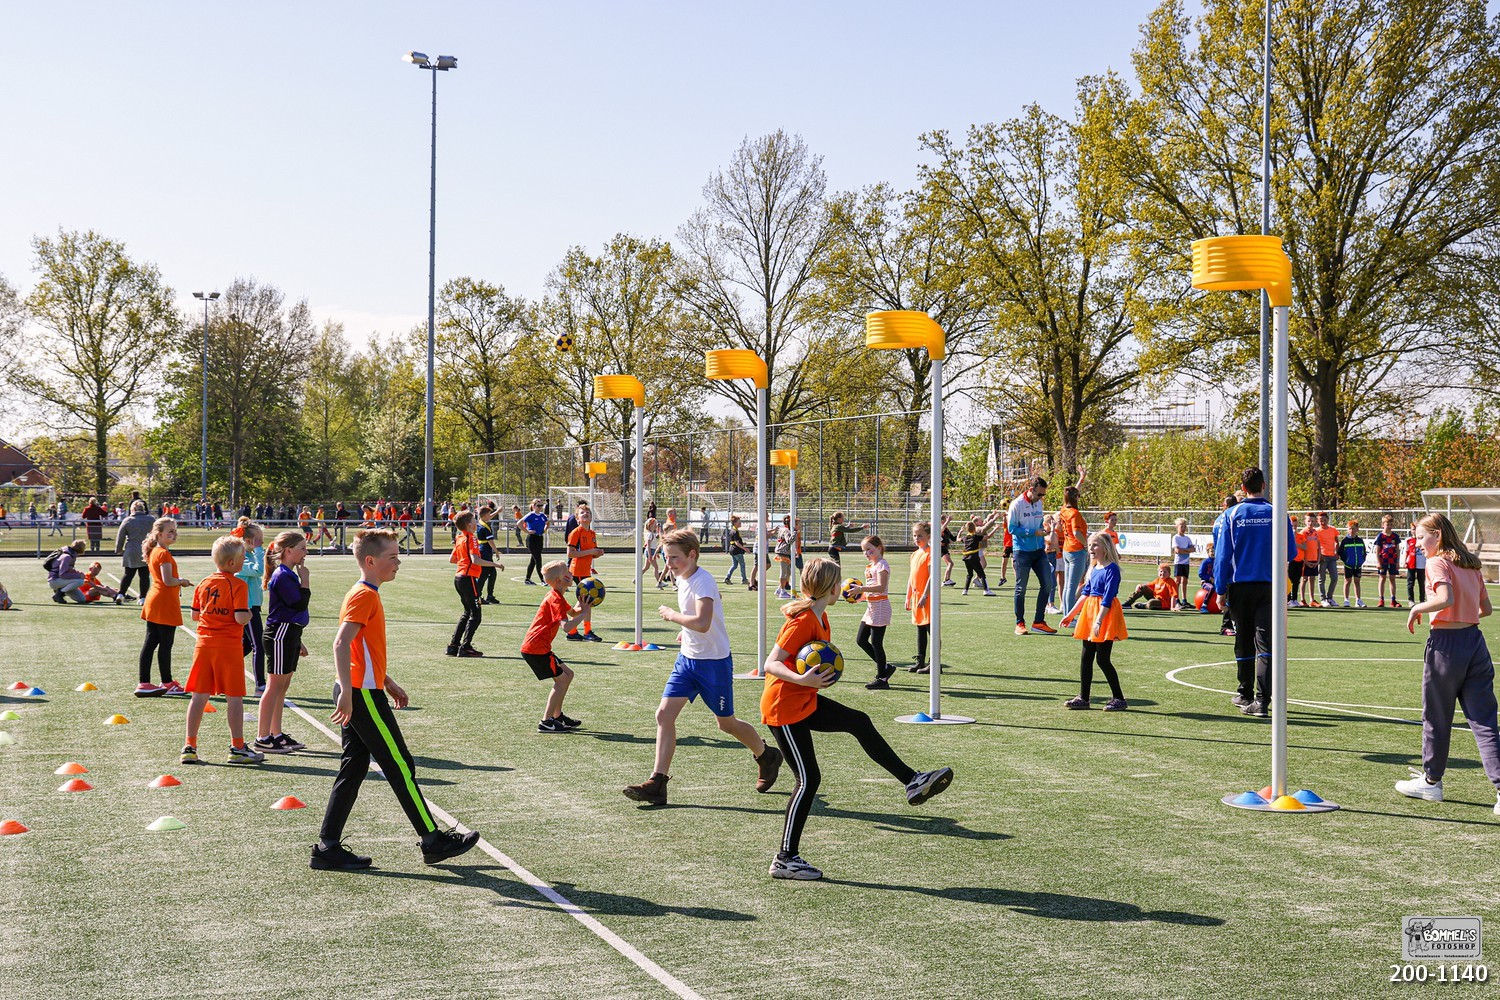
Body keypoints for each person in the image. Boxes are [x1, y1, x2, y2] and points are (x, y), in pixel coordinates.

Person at [761, 557, 955, 880]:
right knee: (808, 780)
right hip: (783, 708)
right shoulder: (803, 620)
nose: (843, 587)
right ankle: (785, 858)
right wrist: (805, 680)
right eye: (839, 583)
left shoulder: (820, 618)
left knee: (859, 721)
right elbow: (772, 663)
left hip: (801, 701)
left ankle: (912, 781)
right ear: (831, 588)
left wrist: (807, 685)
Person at [312, 529, 480, 870]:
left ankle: (327, 847)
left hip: (363, 689)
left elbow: (360, 649)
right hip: (360, 694)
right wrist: (347, 690)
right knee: (400, 764)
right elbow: (341, 644)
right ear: (371, 561)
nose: (398, 563)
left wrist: (386, 681)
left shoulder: (367, 593)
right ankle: (432, 839)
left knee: (355, 766)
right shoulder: (364, 596)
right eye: (392, 557)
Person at [623, 528, 783, 806]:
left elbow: (703, 622)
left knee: (726, 724)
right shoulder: (683, 578)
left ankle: (766, 755)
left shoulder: (703, 582)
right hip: (687, 661)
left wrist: (674, 617)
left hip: (714, 665)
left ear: (692, 555)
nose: (669, 563)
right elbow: (696, 625)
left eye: (674, 557)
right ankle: (657, 783)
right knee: (664, 715)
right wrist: (687, 633)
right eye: (666, 556)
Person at [1392, 513, 1500, 812]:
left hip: (1446, 647)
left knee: (1436, 718)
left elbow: (1445, 598)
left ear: (1437, 535)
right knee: (1485, 721)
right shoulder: (1471, 565)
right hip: (1475, 644)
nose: (1417, 543)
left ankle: (1431, 783)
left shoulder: (1438, 562)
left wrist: (1417, 607)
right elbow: (1486, 609)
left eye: (1420, 536)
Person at [1213, 467, 1298, 718]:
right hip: (1270, 586)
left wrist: (1220, 590)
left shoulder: (1231, 514)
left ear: (1243, 487)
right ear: (1263, 485)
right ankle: (1262, 701)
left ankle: (1245, 693)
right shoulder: (1277, 513)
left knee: (1243, 640)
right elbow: (1291, 553)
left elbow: (1222, 556)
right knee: (1265, 644)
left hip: (1240, 587)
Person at [180, 535, 263, 765]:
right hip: (227, 646)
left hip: (204, 644)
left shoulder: (204, 582)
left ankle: (190, 745)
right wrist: (249, 614)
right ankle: (237, 747)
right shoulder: (238, 585)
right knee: (234, 697)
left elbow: (195, 615)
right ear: (232, 564)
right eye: (243, 557)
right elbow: (239, 617)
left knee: (199, 696)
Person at [520, 559, 592, 734]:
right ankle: (546, 721)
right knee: (561, 680)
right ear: (560, 580)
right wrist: (584, 614)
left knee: (568, 674)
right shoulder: (555, 599)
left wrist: (582, 606)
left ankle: (557, 716)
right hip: (535, 649)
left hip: (539, 647)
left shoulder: (557, 596)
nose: (571, 573)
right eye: (567, 571)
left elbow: (572, 612)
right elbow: (567, 627)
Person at [1059, 531, 1128, 710]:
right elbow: (1085, 594)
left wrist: (1098, 621)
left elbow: (1107, 597)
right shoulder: (1093, 568)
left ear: (1105, 548)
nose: (1091, 548)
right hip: (1090, 613)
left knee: (1103, 659)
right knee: (1086, 657)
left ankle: (1119, 698)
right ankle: (1084, 698)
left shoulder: (1112, 569)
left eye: (1095, 545)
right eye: (1090, 545)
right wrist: (1071, 614)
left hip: (1104, 615)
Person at [255, 530, 310, 756]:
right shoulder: (283, 575)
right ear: (289, 551)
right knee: (274, 687)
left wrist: (299, 641)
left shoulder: (288, 574)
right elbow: (298, 604)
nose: (306, 552)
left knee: (282, 687)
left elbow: (294, 612)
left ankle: (276, 734)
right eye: (302, 548)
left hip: (289, 634)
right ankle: (262, 737)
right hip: (280, 634)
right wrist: (305, 580)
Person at [1007, 475, 1054, 636]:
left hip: (1039, 551)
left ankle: (1039, 622)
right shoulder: (1016, 505)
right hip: (1022, 552)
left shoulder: (1038, 503)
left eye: (1043, 495)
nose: (1041, 497)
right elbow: (1012, 529)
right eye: (1039, 494)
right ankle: (1019, 623)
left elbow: (1039, 523)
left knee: (1048, 584)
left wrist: (1043, 531)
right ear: (1031, 490)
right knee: (1021, 588)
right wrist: (1033, 532)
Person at [447, 511, 498, 657]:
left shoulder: (459, 538)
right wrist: (494, 564)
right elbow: (475, 560)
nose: (476, 522)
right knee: (476, 615)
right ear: (470, 525)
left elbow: (452, 559)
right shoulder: (471, 538)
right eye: (474, 520)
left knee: (467, 612)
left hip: (458, 577)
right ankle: (466, 646)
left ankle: (453, 645)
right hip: (468, 578)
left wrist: (465, 562)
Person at [852, 534, 895, 689]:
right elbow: (872, 589)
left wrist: (860, 588)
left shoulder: (882, 565)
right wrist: (860, 597)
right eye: (864, 551)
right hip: (871, 607)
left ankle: (882, 678)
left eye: (869, 550)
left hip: (880, 607)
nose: (866, 553)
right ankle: (885, 668)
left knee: (876, 643)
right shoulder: (870, 567)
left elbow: (881, 587)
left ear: (878, 548)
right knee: (861, 640)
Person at [236, 522, 268, 695]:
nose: (261, 544)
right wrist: (258, 551)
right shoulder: (241, 557)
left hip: (253, 606)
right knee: (259, 645)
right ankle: (260, 685)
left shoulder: (250, 554)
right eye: (258, 541)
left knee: (246, 645)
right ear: (248, 540)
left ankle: (224, 667)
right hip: (246, 608)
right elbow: (259, 570)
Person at [565, 506, 603, 642]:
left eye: (588, 512)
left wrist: (597, 553)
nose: (585, 514)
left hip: (586, 570)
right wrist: (591, 552)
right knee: (587, 601)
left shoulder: (592, 534)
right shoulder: (576, 532)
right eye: (582, 513)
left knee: (585, 601)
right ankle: (585, 631)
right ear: (577, 518)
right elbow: (570, 553)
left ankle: (573, 631)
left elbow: (591, 554)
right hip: (578, 571)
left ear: (591, 517)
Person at [906, 521, 934, 673]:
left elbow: (932, 576)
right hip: (917, 597)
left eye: (920, 536)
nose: (917, 538)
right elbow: (911, 577)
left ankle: (933, 663)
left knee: (932, 630)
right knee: (920, 629)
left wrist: (925, 595)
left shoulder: (930, 553)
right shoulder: (915, 554)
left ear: (928, 536)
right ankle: (921, 660)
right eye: (915, 535)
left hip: (927, 598)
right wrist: (908, 595)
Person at [1058, 488, 1089, 610]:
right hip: (1076, 549)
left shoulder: (1064, 510)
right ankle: (1069, 615)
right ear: (1075, 497)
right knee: (1072, 586)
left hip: (1067, 549)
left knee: (1067, 586)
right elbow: (1076, 532)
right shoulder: (1074, 513)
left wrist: (1081, 479)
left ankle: (1066, 612)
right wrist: (1086, 544)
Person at [959, 511, 1003, 596]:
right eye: (980, 520)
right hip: (974, 553)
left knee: (970, 573)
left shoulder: (966, 536)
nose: (982, 521)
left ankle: (965, 590)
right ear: (975, 524)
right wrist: (994, 521)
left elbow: (986, 521)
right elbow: (986, 529)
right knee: (982, 572)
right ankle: (985, 589)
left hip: (966, 556)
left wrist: (992, 514)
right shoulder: (977, 530)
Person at [47, 540, 89, 604]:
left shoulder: (71, 555)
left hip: (62, 581)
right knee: (80, 581)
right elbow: (62, 574)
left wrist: (78, 573)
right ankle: (59, 594)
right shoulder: (67, 557)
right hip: (54, 581)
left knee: (81, 599)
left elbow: (68, 570)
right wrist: (79, 576)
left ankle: (60, 592)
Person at [1374, 514, 1403, 609]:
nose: (1389, 526)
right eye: (1387, 524)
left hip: (1393, 561)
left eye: (1391, 524)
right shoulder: (1380, 536)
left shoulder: (1395, 536)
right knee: (1382, 578)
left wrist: (1398, 562)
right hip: (1383, 561)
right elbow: (1377, 550)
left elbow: (1398, 550)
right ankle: (1381, 599)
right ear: (1383, 524)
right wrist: (1378, 562)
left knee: (1392, 578)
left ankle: (1393, 599)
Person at [1338, 519, 1367, 608]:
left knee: (1357, 581)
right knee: (1347, 581)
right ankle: (1346, 600)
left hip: (1358, 565)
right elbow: (1341, 552)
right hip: (1348, 565)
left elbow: (1364, 552)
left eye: (1353, 528)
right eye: (1350, 528)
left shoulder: (1360, 541)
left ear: (1357, 529)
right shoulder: (1345, 541)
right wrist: (1346, 560)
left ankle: (1358, 600)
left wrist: (1362, 560)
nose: (1352, 530)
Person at [475, 505, 500, 604]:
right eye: (489, 514)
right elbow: (490, 541)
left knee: (492, 573)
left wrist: (497, 511)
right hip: (485, 551)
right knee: (484, 574)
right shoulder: (485, 527)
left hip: (483, 549)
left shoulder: (480, 523)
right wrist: (496, 551)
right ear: (485, 515)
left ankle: (490, 595)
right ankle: (478, 596)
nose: (490, 516)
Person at [1170, 518, 1196, 610]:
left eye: (1185, 526)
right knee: (1177, 581)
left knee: (1184, 581)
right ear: (1177, 527)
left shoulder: (1187, 538)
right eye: (1181, 526)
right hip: (1179, 563)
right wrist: (1187, 550)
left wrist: (1185, 550)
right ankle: (1176, 600)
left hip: (1186, 563)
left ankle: (1184, 600)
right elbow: (1177, 550)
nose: (1183, 528)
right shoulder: (1176, 538)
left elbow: (1193, 549)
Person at [1315, 511, 1340, 606]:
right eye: (1321, 520)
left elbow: (1337, 541)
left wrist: (1337, 552)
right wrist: (1319, 555)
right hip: (1322, 556)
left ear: (1328, 520)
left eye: (1324, 520)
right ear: (1318, 521)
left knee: (1334, 578)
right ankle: (1323, 598)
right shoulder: (1317, 531)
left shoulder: (1333, 529)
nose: (1323, 522)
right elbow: (1315, 544)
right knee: (1322, 578)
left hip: (1332, 556)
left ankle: (1330, 597)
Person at [522, 499, 548, 585]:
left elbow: (548, 523)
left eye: (541, 506)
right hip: (532, 539)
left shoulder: (542, 515)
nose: (540, 507)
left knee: (533, 560)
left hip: (539, 538)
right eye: (538, 506)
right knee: (538, 559)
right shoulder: (531, 515)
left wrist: (544, 530)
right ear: (534, 506)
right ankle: (542, 580)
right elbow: (519, 523)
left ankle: (527, 579)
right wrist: (527, 531)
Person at [1297, 513, 1321, 608]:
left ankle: (1312, 599)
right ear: (1305, 522)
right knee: (1304, 579)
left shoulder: (1316, 532)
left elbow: (1318, 547)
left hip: (1314, 559)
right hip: (1305, 560)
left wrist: (1318, 560)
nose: (1310, 523)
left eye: (1312, 521)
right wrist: (1305, 561)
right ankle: (1302, 599)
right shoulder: (1303, 533)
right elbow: (1301, 548)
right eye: (1309, 521)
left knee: (1312, 579)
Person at [773, 515, 796, 599]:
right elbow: (789, 541)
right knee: (784, 572)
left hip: (784, 552)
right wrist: (794, 533)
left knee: (788, 572)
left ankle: (779, 589)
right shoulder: (786, 530)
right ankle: (782, 591)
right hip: (782, 552)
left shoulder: (784, 529)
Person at [1405, 521, 1428, 607]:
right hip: (1411, 563)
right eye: (1413, 529)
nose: (1414, 531)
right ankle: (1411, 600)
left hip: (1421, 564)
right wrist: (1405, 561)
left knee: (1422, 583)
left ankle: (1422, 599)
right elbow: (1407, 552)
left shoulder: (1422, 539)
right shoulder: (1408, 540)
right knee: (1410, 582)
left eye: (1416, 529)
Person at [724, 515, 749, 585]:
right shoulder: (735, 531)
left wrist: (742, 543)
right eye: (739, 522)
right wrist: (745, 549)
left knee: (734, 565)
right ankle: (744, 579)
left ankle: (727, 578)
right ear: (735, 523)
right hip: (736, 550)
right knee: (742, 564)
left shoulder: (733, 530)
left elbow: (734, 541)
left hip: (732, 549)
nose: (740, 523)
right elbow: (736, 543)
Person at [938, 515, 957, 586]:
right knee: (950, 563)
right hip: (941, 549)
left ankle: (947, 580)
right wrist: (948, 521)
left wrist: (960, 532)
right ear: (942, 521)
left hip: (945, 548)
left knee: (949, 564)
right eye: (945, 519)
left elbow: (953, 538)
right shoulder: (939, 527)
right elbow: (941, 529)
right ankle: (946, 580)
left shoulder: (946, 529)